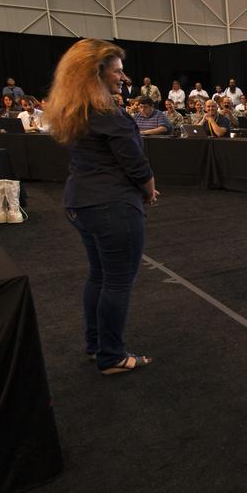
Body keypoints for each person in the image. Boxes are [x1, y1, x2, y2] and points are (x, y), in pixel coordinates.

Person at [47, 39, 157, 375]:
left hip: (80, 204)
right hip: (112, 206)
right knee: (118, 281)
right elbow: (135, 165)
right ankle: (112, 355)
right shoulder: (109, 115)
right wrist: (149, 190)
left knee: (100, 275)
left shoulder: (74, 111)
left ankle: (97, 344)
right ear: (97, 73)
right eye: (117, 71)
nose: (122, 78)